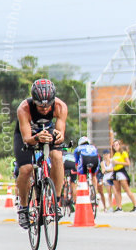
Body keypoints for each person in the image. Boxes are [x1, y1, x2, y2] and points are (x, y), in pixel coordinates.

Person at [13, 79, 68, 229]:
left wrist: (59, 136)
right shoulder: (24, 108)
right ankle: (23, 208)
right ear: (34, 101)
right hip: (28, 135)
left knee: (57, 156)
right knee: (26, 169)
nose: (44, 109)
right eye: (40, 106)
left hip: (48, 131)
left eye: (47, 106)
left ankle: (55, 201)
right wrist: (36, 138)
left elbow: (61, 132)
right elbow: (27, 139)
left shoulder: (60, 106)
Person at [74, 136, 104, 210]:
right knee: (94, 175)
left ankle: (83, 187)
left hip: (85, 160)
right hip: (95, 160)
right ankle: (95, 194)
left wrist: (78, 170)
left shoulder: (78, 148)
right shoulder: (93, 147)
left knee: (82, 175)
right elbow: (98, 157)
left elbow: (76, 163)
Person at [109, 138, 136, 212]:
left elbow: (128, 163)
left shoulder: (123, 153)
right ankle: (119, 207)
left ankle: (135, 205)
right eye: (114, 145)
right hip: (115, 172)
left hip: (121, 171)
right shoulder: (114, 154)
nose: (115, 146)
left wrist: (118, 162)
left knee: (126, 189)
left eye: (117, 145)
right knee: (117, 191)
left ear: (119, 145)